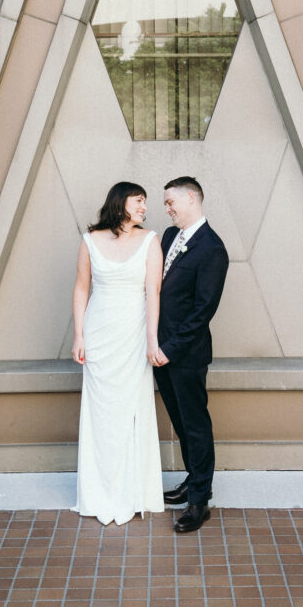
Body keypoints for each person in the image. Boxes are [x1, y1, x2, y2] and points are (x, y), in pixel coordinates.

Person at [71, 181, 164, 525]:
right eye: (138, 201)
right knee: (101, 412)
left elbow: (153, 294)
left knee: (130, 409)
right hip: (98, 335)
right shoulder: (90, 240)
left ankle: (132, 491)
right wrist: (79, 335)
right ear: (120, 202)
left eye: (145, 203)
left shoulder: (150, 240)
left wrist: (152, 341)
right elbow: (82, 288)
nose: (144, 208)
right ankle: (99, 492)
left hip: (134, 335)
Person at [149, 176, 229, 533]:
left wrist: (169, 349)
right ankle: (193, 479)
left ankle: (199, 501)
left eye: (170, 202)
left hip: (186, 354)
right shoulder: (168, 237)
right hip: (160, 350)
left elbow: (203, 310)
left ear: (192, 198)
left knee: (195, 426)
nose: (166, 209)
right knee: (181, 424)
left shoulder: (212, 248)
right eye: (165, 204)